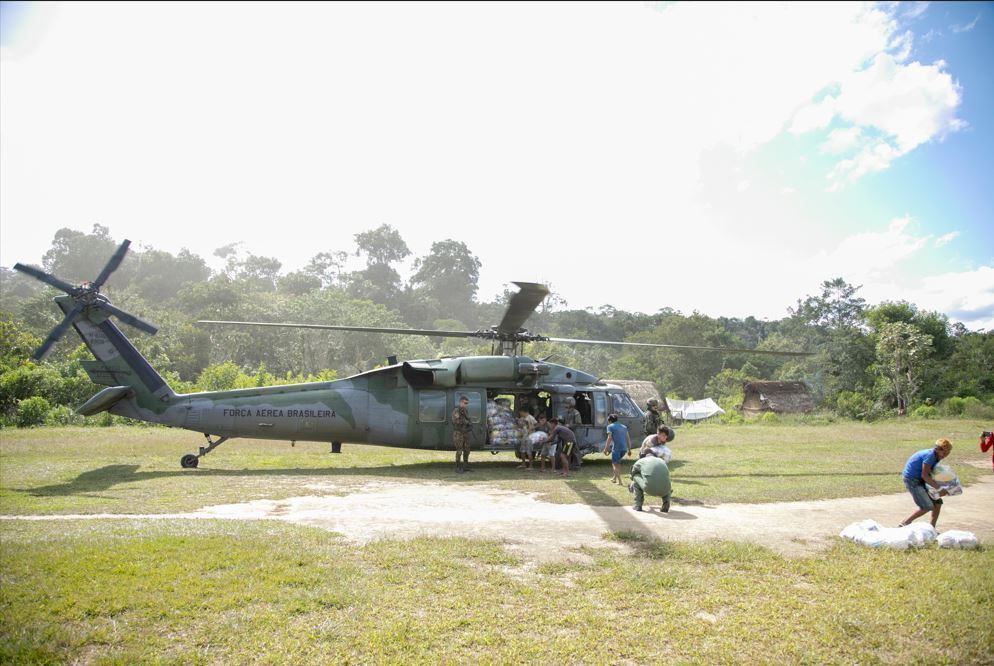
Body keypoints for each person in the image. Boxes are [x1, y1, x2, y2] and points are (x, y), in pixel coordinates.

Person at [898, 438, 953, 528]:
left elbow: (930, 473)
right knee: (927, 506)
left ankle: (932, 528)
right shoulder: (930, 456)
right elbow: (925, 475)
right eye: (944, 452)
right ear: (937, 449)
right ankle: (904, 523)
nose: (946, 455)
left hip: (921, 480)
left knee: (937, 503)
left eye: (948, 452)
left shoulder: (936, 456)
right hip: (912, 480)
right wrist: (939, 488)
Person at [602, 413, 631, 484]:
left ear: (610, 421)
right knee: (617, 463)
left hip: (616, 448)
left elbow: (609, 438)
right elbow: (628, 438)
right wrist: (629, 449)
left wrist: (605, 449)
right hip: (624, 449)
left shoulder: (610, 426)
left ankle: (620, 481)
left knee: (614, 464)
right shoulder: (624, 427)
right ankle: (614, 478)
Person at [452, 395, 474, 474]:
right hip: (459, 433)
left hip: (465, 433)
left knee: (467, 450)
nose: (466, 405)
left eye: (467, 403)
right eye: (465, 403)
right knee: (459, 450)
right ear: (461, 402)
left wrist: (470, 424)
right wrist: (466, 422)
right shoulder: (456, 411)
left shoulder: (465, 411)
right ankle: (457, 467)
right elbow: (456, 421)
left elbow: (468, 419)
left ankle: (465, 466)